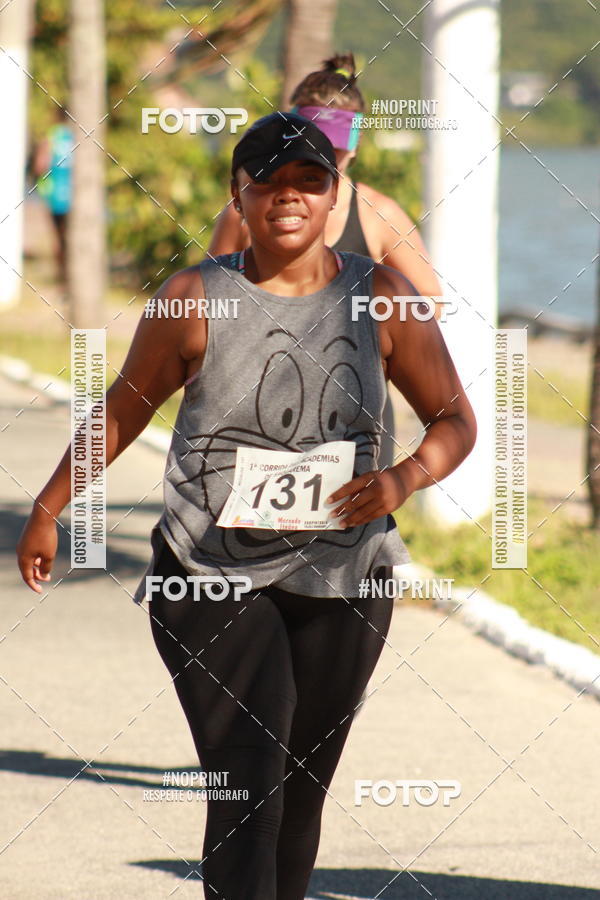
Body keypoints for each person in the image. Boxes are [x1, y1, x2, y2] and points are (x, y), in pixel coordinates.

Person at [17, 112, 477, 900]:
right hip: (208, 576)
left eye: (308, 181)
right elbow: (124, 409)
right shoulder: (194, 297)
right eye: (267, 181)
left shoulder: (383, 298)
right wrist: (50, 506)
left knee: (300, 791)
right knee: (249, 780)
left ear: (334, 196)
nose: (287, 196)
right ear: (239, 196)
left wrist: (402, 481)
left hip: (345, 576)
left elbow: (455, 420)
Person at [209, 52, 443, 471]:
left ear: (355, 145)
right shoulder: (247, 209)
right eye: (308, 152)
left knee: (358, 512)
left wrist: (362, 333)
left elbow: (430, 301)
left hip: (355, 412)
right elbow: (210, 299)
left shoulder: (378, 213)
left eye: (333, 151)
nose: (324, 160)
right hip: (257, 407)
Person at [32, 108, 75, 286]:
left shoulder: (51, 136)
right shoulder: (78, 135)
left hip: (54, 193)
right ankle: (72, 274)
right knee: (71, 235)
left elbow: (40, 165)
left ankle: (63, 277)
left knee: (58, 236)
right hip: (73, 193)